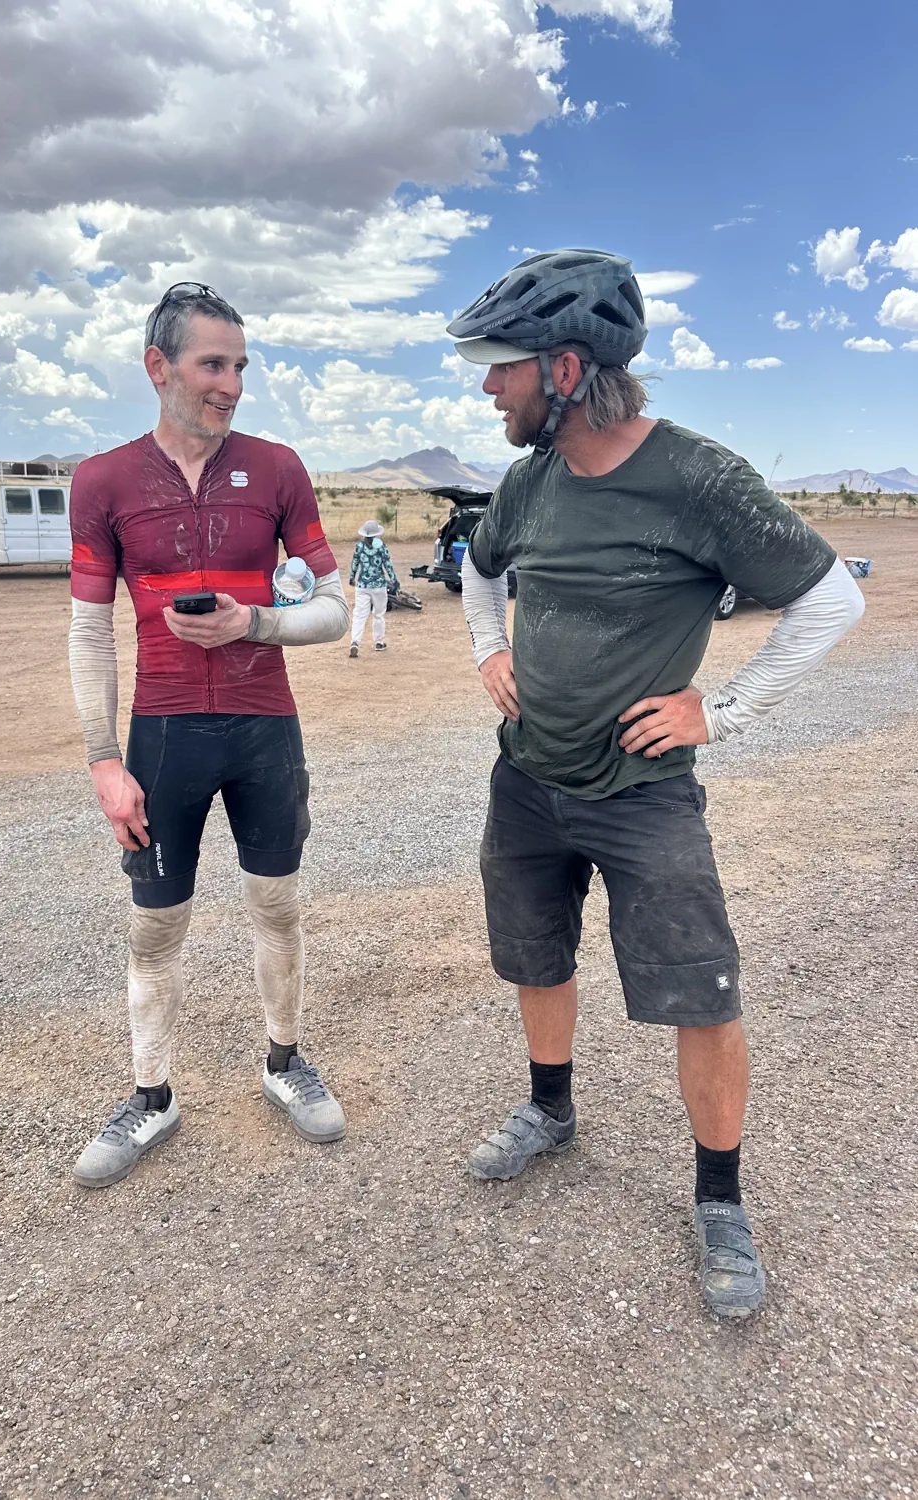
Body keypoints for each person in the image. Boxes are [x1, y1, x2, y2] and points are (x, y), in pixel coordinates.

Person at [448, 249, 865, 1317]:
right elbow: (479, 570)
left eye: (502, 366)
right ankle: (551, 1111)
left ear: (566, 368)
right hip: (527, 779)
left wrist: (717, 713)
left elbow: (830, 602)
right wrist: (488, 649)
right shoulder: (529, 479)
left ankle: (720, 1200)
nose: (487, 386)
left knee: (701, 994)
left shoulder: (699, 479)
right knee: (537, 957)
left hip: (646, 796)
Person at [67, 282, 350, 1189]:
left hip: (266, 730)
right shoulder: (102, 481)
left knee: (277, 906)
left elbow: (336, 608)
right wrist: (103, 760)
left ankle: (284, 1061)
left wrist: (255, 624)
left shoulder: (277, 469)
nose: (231, 384)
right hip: (162, 735)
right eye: (212, 364)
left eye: (239, 366)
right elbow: (89, 633)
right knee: (156, 926)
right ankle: (151, 1097)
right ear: (159, 366)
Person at [347, 519, 398, 658]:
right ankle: (379, 642)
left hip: (362, 585)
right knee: (379, 614)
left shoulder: (359, 546)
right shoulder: (381, 546)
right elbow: (388, 566)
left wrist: (352, 578)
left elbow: (354, 563)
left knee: (359, 614)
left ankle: (355, 642)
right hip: (379, 585)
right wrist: (395, 583)